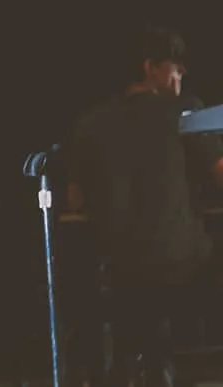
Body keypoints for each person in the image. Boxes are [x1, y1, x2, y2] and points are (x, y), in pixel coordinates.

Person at [64, 25, 223, 386]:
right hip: (182, 265)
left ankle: (145, 363)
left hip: (117, 270)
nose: (181, 75)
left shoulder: (88, 123)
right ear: (150, 67)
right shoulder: (186, 112)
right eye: (176, 68)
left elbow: (75, 200)